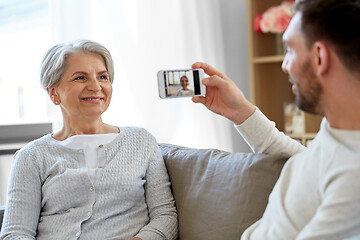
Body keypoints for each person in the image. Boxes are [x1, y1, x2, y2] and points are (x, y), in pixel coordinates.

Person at [192, 0, 360, 239]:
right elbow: (311, 163)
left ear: (320, 57)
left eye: (290, 49)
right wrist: (241, 112)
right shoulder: (339, 130)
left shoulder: (353, 179)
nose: (284, 65)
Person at [0, 40, 178, 240]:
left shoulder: (142, 141)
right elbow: (15, 233)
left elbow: (165, 216)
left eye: (103, 77)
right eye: (80, 78)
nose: (95, 86)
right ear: (53, 92)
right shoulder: (31, 156)